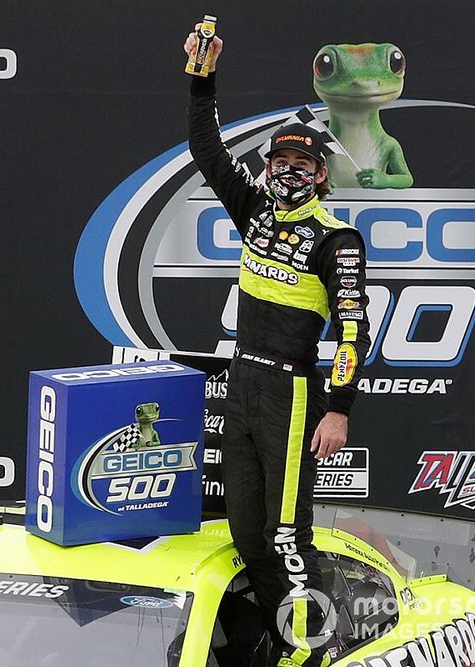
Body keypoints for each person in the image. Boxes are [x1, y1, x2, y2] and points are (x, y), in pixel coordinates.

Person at [184, 25, 371, 667]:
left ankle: (313, 649)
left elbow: (353, 330)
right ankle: (282, 636)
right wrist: (202, 78)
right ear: (267, 169)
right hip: (241, 382)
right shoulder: (253, 211)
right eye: (279, 162)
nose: (288, 171)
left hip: (291, 391)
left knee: (286, 532)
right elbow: (206, 150)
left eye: (302, 165)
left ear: (320, 175)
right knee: (245, 531)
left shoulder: (337, 239)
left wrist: (339, 409)